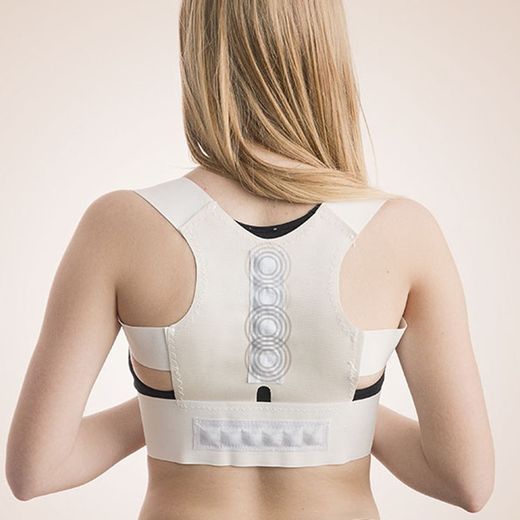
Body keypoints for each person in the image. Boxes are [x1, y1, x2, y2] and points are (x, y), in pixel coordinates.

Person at [5, 1, 494, 518]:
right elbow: (465, 480)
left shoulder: (120, 225)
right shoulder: (401, 231)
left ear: (199, 55)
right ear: (326, 55)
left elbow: (38, 469)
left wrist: (169, 404)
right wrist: (343, 410)